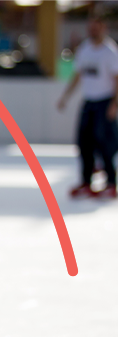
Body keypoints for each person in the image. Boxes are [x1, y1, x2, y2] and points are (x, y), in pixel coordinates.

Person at [58, 15, 118, 199]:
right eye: (91, 28)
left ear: (103, 28)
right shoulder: (85, 49)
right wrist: (65, 96)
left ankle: (110, 182)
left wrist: (114, 104)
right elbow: (77, 75)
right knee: (83, 141)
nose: (93, 31)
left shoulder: (110, 52)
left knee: (104, 142)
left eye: (97, 28)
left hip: (105, 101)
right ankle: (86, 181)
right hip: (89, 101)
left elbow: (116, 80)